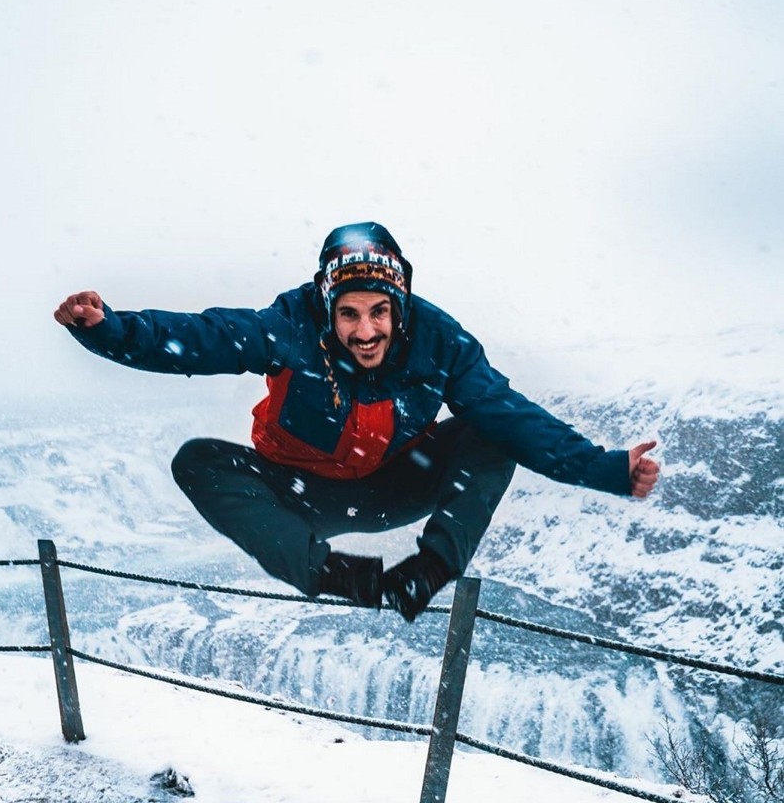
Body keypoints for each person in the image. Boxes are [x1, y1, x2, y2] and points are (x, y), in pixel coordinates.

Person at [54, 221, 659, 621]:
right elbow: (201, 338)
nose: (365, 332)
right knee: (199, 461)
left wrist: (605, 469)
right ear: (326, 307)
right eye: (348, 314)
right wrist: (109, 329)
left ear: (400, 306)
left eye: (378, 313)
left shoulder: (440, 342)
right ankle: (354, 581)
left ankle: (425, 576)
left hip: (393, 486)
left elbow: (512, 416)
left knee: (490, 434)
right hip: (298, 491)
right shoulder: (288, 327)